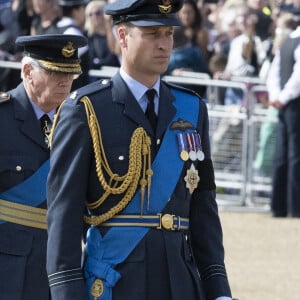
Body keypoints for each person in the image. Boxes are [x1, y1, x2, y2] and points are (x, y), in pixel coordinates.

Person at [46, 1, 233, 300]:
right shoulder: (87, 110)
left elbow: (204, 208)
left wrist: (218, 289)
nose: (163, 44)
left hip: (179, 283)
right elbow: (64, 214)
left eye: (168, 34)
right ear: (122, 36)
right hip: (116, 283)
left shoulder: (191, 108)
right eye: (152, 34)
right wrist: (67, 292)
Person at [0, 34, 87, 299]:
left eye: (70, 74)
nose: (66, 82)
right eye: (55, 72)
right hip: (8, 267)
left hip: (61, 271)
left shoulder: (82, 124)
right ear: (27, 71)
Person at [266, 8, 300, 217]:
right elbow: (298, 78)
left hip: (283, 104)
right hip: (294, 104)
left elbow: (274, 74)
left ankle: (278, 206)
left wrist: (277, 96)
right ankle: (294, 207)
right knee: (295, 155)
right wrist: (283, 97)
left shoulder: (287, 41)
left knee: (282, 154)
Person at [56, 0, 90, 90]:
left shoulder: (54, 28)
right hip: (72, 91)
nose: (84, 13)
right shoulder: (74, 34)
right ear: (75, 11)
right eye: (83, 8)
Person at [84, 0, 120, 81]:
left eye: (97, 13)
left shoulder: (114, 31)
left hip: (114, 76)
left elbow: (115, 53)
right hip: (95, 78)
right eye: (90, 14)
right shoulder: (87, 36)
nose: (94, 17)